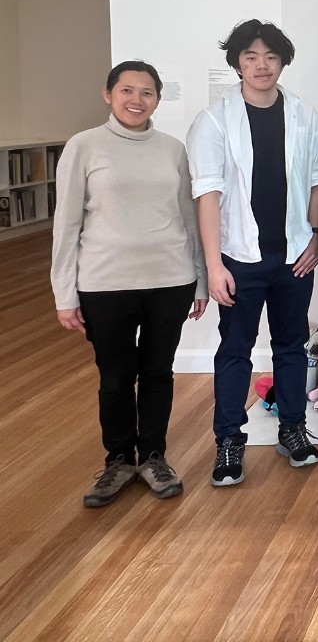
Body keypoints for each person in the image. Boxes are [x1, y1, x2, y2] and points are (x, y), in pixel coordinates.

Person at [51, 61, 208, 508]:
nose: (136, 100)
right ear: (108, 94)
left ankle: (153, 457)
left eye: (146, 92)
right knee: (116, 376)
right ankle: (118, 459)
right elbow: (66, 224)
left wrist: (197, 281)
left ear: (158, 99)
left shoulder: (172, 149)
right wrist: (65, 293)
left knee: (158, 371)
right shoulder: (83, 146)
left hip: (170, 280)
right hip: (105, 284)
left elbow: (189, 218)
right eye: (127, 91)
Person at [187, 20, 318, 486]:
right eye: (250, 56)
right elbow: (207, 195)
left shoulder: (305, 116)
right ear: (237, 64)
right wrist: (213, 265)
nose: (261, 65)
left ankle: (293, 428)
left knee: (291, 346)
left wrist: (315, 236)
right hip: (238, 258)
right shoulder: (212, 121)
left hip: (294, 257)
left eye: (270, 56)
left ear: (283, 60)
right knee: (235, 351)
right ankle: (229, 441)